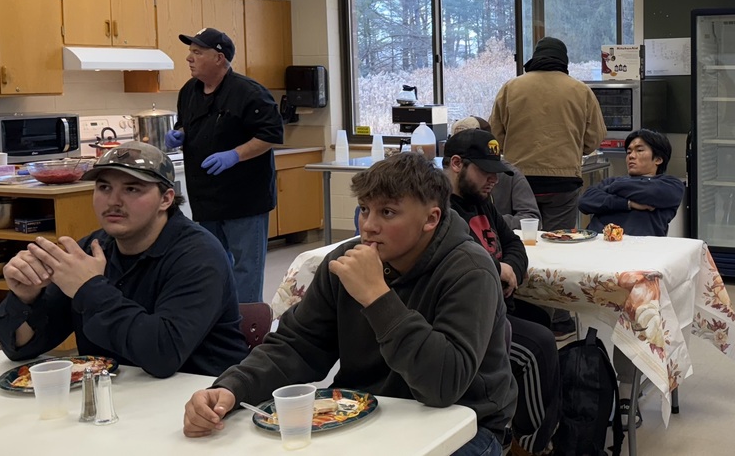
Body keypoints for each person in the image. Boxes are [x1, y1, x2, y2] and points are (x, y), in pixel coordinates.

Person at [182, 152, 517, 455]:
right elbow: (298, 346)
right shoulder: (345, 262)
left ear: (431, 219)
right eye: (365, 209)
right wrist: (232, 388)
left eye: (388, 212)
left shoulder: (469, 269)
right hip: (367, 412)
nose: (369, 226)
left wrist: (377, 297)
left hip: (464, 424)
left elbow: (443, 386)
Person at [0, 142, 247, 377]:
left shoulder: (198, 255)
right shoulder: (92, 249)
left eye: (132, 188)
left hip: (201, 401)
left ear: (166, 199)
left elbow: (163, 356)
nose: (113, 201)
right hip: (117, 398)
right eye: (104, 187)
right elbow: (22, 349)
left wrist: (89, 289)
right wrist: (26, 298)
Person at [443, 129, 560, 455]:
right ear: (456, 164)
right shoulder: (440, 210)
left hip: (498, 306)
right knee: (538, 347)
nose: (494, 179)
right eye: (485, 171)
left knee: (541, 318)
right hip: (471, 317)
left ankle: (528, 426)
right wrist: (497, 270)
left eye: (497, 171)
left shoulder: (482, 203)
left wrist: (510, 268)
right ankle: (532, 446)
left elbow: (514, 244)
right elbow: (454, 260)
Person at [489, 36, 606, 339]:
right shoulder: (580, 90)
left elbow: (495, 136)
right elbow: (594, 139)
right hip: (562, 181)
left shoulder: (512, 87)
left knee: (514, 243)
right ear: (563, 62)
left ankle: (517, 314)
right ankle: (561, 320)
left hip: (517, 180)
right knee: (558, 249)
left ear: (535, 57)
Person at [166, 27, 285, 303]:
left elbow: (270, 136)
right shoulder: (189, 91)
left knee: (246, 266)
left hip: (244, 198)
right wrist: (180, 133)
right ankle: (217, 321)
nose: (189, 58)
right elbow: (186, 123)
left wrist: (234, 155)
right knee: (211, 263)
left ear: (219, 58)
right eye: (190, 52)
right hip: (205, 196)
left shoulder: (250, 93)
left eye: (197, 52)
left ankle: (246, 328)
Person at [578, 128, 685, 237]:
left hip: (639, 248)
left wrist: (610, 190)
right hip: (598, 242)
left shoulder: (671, 185)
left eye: (639, 150)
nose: (631, 156)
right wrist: (628, 204)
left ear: (658, 159)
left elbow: (648, 192)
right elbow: (584, 201)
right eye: (629, 152)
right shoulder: (612, 180)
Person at [452, 116, 540, 230]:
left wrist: (490, 222)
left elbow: (531, 218)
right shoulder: (440, 181)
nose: (493, 179)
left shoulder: (510, 176)